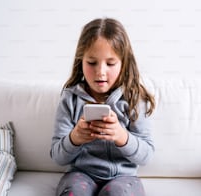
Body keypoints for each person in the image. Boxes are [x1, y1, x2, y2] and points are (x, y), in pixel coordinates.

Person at [50, 18, 155, 196]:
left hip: (124, 177)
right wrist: (74, 138)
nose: (101, 71)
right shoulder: (70, 99)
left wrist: (122, 137)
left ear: (124, 63)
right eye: (92, 63)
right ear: (80, 61)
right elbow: (58, 156)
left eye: (110, 63)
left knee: (117, 193)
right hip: (80, 174)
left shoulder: (134, 99)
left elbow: (146, 155)